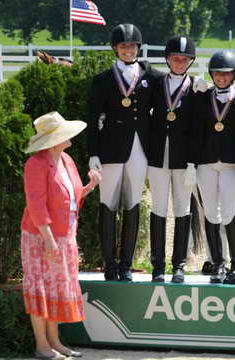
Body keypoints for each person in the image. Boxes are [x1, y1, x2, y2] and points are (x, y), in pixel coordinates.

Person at [21, 112, 101, 359]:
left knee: (55, 288)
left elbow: (70, 199)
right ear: (54, 139)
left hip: (65, 236)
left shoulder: (66, 160)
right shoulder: (35, 164)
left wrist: (89, 188)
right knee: (41, 288)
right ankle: (42, 345)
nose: (69, 137)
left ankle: (55, 341)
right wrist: (48, 239)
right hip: (40, 237)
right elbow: (36, 205)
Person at [86, 24, 161, 282]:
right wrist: (92, 152)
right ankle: (110, 263)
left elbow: (176, 81)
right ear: (115, 49)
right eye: (124, 46)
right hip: (110, 149)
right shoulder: (102, 80)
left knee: (132, 203)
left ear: (138, 48)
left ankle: (126, 263)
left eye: (132, 46)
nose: (129, 50)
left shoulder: (150, 75)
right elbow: (92, 116)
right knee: (107, 204)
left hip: (140, 149)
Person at [147, 35, 206, 283]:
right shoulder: (156, 83)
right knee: (159, 209)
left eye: (184, 59)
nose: (179, 63)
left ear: (190, 61)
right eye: (175, 58)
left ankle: (179, 263)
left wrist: (193, 162)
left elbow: (199, 128)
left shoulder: (196, 88)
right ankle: (158, 265)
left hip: (184, 160)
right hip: (158, 157)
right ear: (167, 60)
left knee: (182, 210)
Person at [194, 50, 235, 285]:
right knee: (210, 213)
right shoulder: (203, 96)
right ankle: (218, 263)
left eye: (226, 74)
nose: (221, 78)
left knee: (229, 212)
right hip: (206, 162)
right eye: (217, 74)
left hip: (230, 162)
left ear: (234, 75)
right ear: (212, 74)